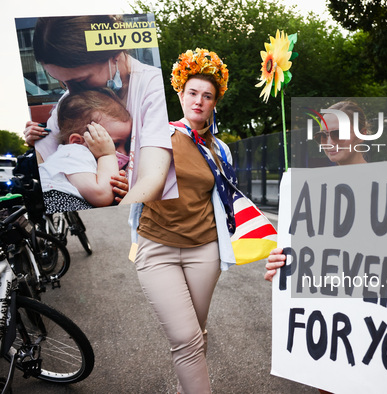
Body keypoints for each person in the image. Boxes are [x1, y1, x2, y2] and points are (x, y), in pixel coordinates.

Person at [133, 47, 234, 394]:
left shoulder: (219, 149)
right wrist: (40, 143)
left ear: (214, 102)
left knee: (196, 331)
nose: (199, 101)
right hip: (156, 249)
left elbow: (225, 201)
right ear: (179, 92)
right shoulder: (155, 133)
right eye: (193, 93)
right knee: (186, 338)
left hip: (204, 252)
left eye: (207, 96)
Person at [22, 15, 176, 205]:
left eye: (80, 80)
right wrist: (37, 142)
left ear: (114, 55)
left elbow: (151, 180)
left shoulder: (154, 88)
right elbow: (48, 169)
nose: (69, 91)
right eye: (62, 81)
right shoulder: (68, 103)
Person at [265, 101, 368, 280]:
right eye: (322, 135)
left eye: (338, 133)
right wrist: (282, 266)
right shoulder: (314, 190)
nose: (329, 142)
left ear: (361, 135)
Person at [39, 88, 131, 213]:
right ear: (78, 141)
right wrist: (107, 155)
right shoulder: (74, 152)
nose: (124, 153)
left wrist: (118, 190)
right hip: (60, 203)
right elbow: (102, 197)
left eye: (126, 145)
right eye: (114, 144)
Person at [313, 100, 369, 166]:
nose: (329, 143)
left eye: (338, 134)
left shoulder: (377, 175)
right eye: (323, 136)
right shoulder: (322, 176)